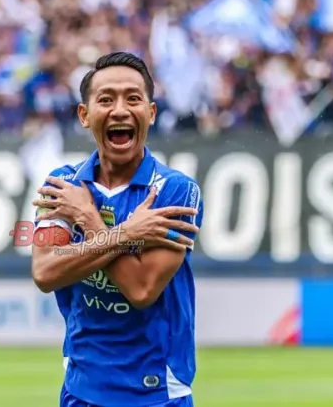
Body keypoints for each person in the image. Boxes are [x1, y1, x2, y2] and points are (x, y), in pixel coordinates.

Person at [31, 52, 204, 407]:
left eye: (133, 98)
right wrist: (127, 234)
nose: (120, 110)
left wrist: (89, 220)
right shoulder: (61, 186)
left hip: (156, 393)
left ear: (151, 113)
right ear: (84, 115)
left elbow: (141, 289)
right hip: (81, 388)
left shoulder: (175, 192)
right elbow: (46, 271)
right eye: (106, 99)